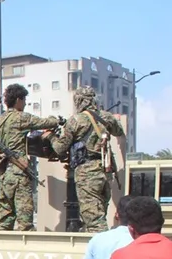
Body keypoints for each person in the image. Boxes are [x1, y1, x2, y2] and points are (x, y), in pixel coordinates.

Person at [50, 86, 125, 233]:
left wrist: (51, 137)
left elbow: (60, 148)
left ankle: (101, 252)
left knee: (94, 221)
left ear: (78, 101)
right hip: (105, 171)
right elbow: (119, 131)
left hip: (87, 173)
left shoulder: (75, 120)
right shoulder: (106, 116)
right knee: (99, 213)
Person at [0, 84, 60, 231]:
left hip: (4, 174)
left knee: (5, 219)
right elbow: (46, 123)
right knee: (25, 221)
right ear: (18, 100)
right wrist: (57, 119)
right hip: (19, 172)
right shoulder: (21, 117)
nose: (25, 103)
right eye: (24, 100)